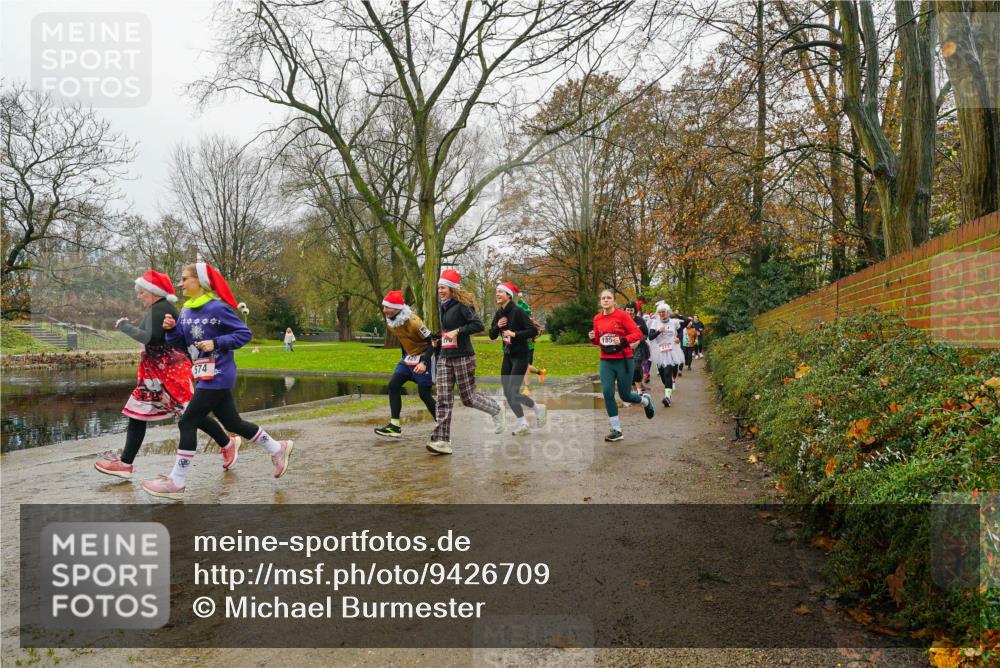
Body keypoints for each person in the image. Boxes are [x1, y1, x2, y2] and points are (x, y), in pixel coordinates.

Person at [140, 262, 293, 500]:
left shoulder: (217, 309)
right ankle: (277, 448)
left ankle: (176, 481)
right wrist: (171, 330)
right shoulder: (188, 311)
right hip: (203, 375)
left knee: (187, 421)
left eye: (184, 279)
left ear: (199, 282)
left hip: (219, 373)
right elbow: (181, 344)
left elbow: (244, 334)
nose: (180, 284)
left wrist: (216, 343)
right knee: (233, 422)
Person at [94, 270, 237, 479]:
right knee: (137, 413)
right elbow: (152, 336)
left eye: (141, 292)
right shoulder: (155, 309)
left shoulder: (162, 309)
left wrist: (125, 327)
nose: (138, 296)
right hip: (154, 373)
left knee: (190, 414)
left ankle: (227, 443)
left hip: (172, 371)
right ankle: (125, 463)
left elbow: (149, 338)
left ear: (153, 292)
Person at [426, 269, 503, 455]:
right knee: (443, 398)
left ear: (452, 288)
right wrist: (438, 337)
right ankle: (442, 440)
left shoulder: (462, 305)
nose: (440, 291)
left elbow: (477, 325)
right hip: (445, 356)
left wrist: (458, 331)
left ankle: (496, 410)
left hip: (463, 357)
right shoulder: (443, 305)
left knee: (468, 398)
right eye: (438, 288)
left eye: (443, 287)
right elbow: (448, 330)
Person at [588, 289, 654, 442]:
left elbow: (637, 334)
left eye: (608, 298)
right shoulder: (597, 318)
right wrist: (592, 338)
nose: (605, 300)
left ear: (613, 301)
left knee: (625, 395)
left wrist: (623, 340)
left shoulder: (622, 315)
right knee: (607, 393)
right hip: (606, 361)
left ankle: (645, 401)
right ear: (600, 301)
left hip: (624, 360)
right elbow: (599, 340)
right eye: (603, 298)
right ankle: (617, 430)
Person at [374, 290, 436, 439]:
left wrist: (425, 362)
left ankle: (442, 426)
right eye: (384, 307)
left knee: (424, 394)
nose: (384, 310)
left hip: (423, 357)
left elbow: (433, 342)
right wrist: (405, 357)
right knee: (393, 385)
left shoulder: (414, 322)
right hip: (408, 359)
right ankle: (394, 426)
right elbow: (403, 341)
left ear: (396, 308)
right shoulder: (392, 323)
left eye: (387, 307)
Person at [490, 282, 546, 435]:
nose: (497, 294)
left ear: (508, 295)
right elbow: (491, 334)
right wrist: (497, 326)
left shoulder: (518, 311)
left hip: (521, 355)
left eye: (501, 291)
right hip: (507, 355)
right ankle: (527, 418)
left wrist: (514, 334)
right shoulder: (499, 313)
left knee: (513, 390)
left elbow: (533, 330)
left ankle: (529, 417)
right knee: (508, 392)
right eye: (496, 292)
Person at [647, 302, 685, 407]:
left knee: (668, 373)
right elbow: (650, 337)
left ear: (668, 312)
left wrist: (679, 338)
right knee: (663, 376)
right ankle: (668, 389)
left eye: (663, 312)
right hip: (660, 351)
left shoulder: (674, 322)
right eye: (660, 312)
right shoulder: (655, 323)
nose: (662, 314)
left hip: (671, 350)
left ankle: (667, 397)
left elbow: (682, 330)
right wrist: (659, 331)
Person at [516, 293, 547, 390]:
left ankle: (527, 388)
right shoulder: (519, 321)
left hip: (528, 347)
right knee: (524, 367)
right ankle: (541, 372)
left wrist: (536, 332)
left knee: (525, 367)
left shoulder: (530, 322)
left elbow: (539, 331)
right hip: (519, 347)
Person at [624, 301, 650, 394]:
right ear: (625, 310)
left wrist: (638, 342)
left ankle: (639, 391)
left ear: (635, 310)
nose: (629, 312)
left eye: (631, 310)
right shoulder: (622, 320)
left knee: (635, 367)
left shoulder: (640, 320)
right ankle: (634, 388)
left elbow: (646, 334)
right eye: (628, 310)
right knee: (629, 369)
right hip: (626, 348)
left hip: (639, 347)